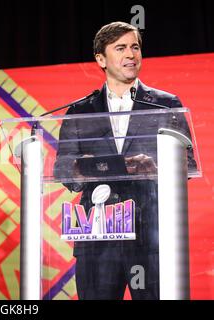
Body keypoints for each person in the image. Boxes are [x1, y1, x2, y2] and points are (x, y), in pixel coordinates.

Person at [54, 21, 196, 300]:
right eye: (121, 48)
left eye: (135, 47)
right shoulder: (80, 111)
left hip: (151, 236)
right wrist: (85, 167)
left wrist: (156, 169)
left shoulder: (166, 104)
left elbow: (188, 163)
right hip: (98, 238)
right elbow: (62, 169)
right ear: (101, 59)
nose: (131, 55)